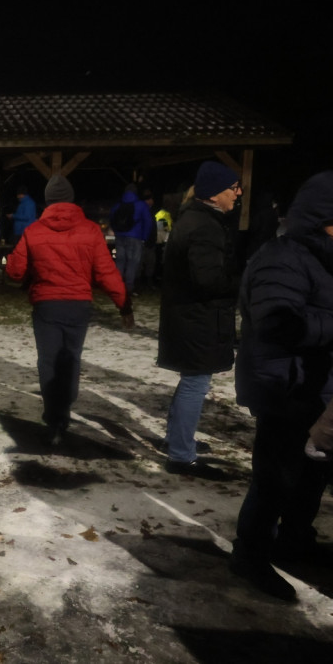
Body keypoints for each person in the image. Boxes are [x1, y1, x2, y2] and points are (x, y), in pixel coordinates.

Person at [230, 170, 333, 601]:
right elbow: (277, 321)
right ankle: (250, 554)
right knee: (275, 477)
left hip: (318, 387)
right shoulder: (282, 257)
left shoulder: (321, 255)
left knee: (312, 475)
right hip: (284, 386)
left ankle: (294, 540)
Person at [6, 175, 132, 446]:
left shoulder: (34, 231)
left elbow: (15, 271)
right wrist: (123, 303)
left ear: (48, 200)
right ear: (72, 199)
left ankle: (54, 416)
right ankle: (65, 408)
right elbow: (106, 271)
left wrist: (16, 265)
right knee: (71, 358)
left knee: (48, 361)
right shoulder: (90, 230)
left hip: (47, 305)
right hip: (78, 305)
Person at [157, 161, 241, 479]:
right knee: (195, 383)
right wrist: (241, 282)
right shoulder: (204, 226)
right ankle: (180, 455)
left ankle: (177, 441)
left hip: (191, 318)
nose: (238, 193)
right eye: (233, 188)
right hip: (198, 320)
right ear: (215, 193)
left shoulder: (195, 219)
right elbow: (208, 280)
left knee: (191, 381)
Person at [109, 184, 155, 296]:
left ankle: (117, 287)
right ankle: (129, 288)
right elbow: (148, 222)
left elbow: (111, 219)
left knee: (119, 262)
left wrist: (117, 232)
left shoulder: (117, 205)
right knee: (132, 263)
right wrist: (144, 237)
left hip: (120, 237)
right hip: (135, 237)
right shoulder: (141, 205)